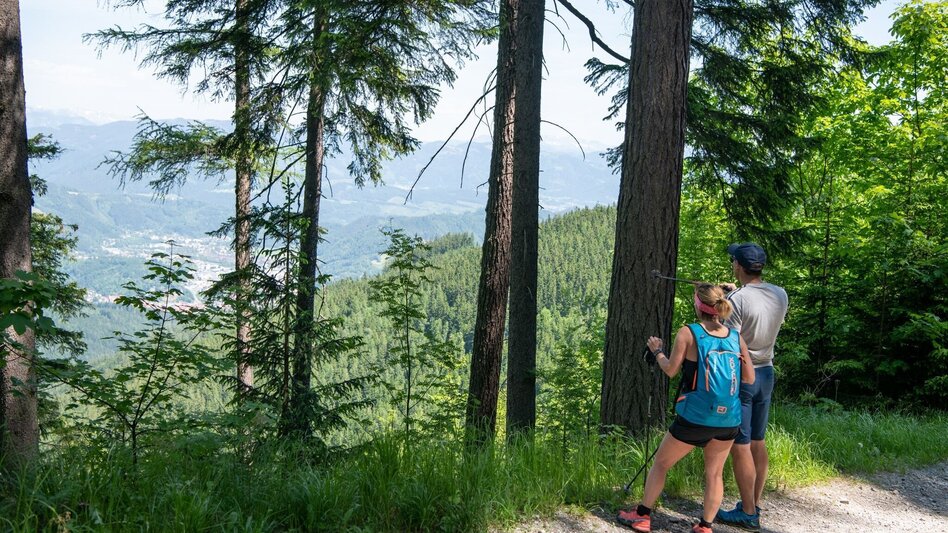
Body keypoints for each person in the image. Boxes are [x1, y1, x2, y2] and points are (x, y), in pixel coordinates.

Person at [618, 283, 755, 533]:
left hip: (695, 417)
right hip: (729, 421)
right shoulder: (736, 337)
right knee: (714, 474)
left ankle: (642, 516)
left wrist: (657, 351)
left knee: (661, 463)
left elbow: (670, 370)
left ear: (698, 305)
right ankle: (705, 526)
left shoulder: (689, 333)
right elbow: (750, 378)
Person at [715, 243, 788, 532]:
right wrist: (733, 294)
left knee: (740, 445)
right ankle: (753, 503)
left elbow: (727, 338)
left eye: (733, 260)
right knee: (758, 440)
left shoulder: (738, 299)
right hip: (767, 372)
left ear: (738, 265)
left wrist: (726, 300)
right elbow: (758, 310)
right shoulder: (779, 293)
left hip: (744, 375)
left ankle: (747, 512)